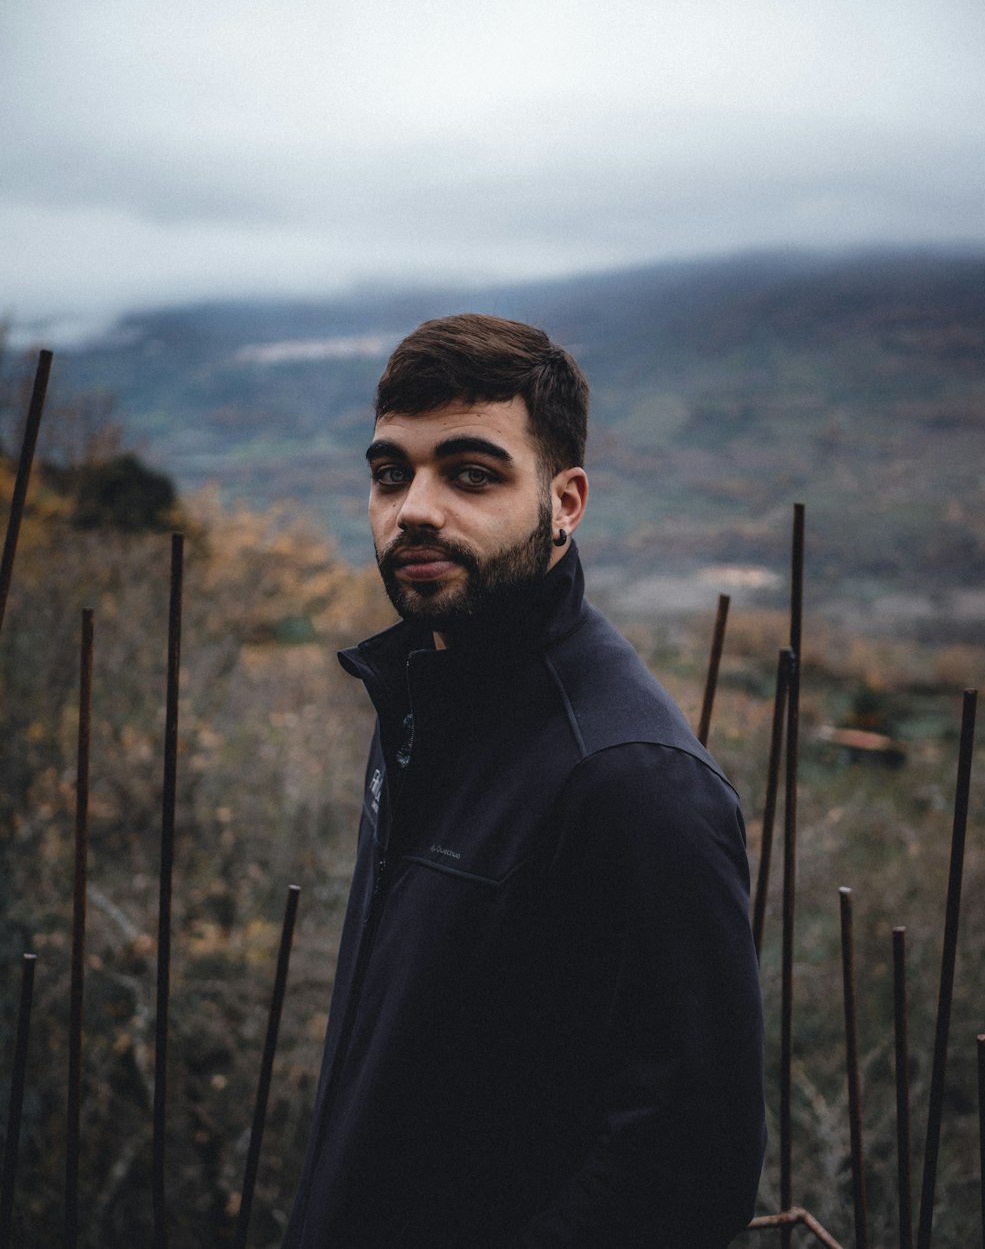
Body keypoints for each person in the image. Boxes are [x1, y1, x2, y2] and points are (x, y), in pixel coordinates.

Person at [283, 314, 765, 1248]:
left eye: (470, 474)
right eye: (391, 473)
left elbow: (684, 1174)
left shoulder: (633, 782)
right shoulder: (426, 698)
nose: (414, 507)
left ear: (566, 501)